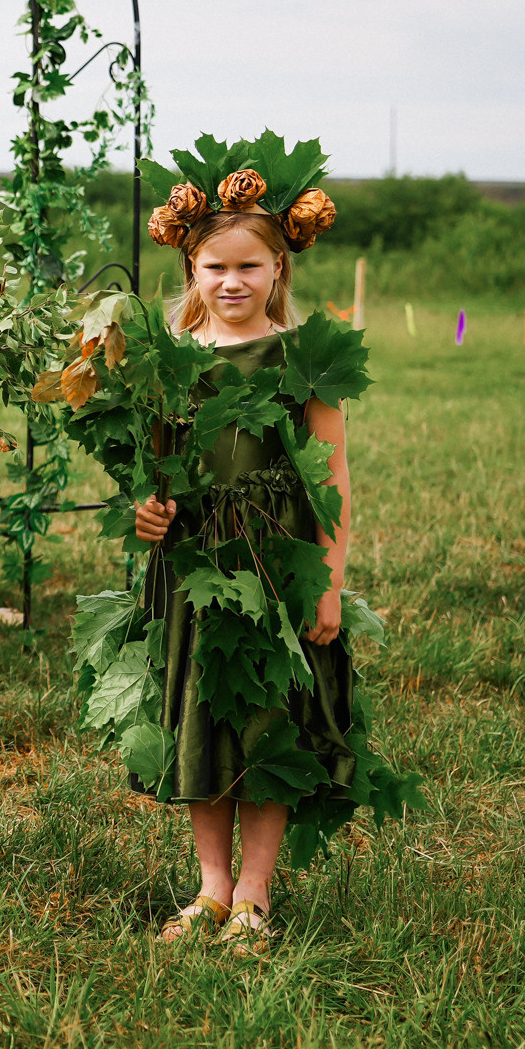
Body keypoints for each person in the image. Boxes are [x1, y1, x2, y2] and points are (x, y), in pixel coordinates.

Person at [129, 148, 367, 953]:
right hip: (197, 564)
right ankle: (212, 887)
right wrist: (148, 513)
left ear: (278, 269)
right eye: (215, 267)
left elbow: (332, 475)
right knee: (204, 716)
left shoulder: (305, 361)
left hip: (277, 562)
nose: (232, 282)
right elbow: (156, 470)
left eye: (249, 267)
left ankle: (256, 893)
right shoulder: (170, 361)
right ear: (191, 270)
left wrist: (329, 581)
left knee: (270, 723)